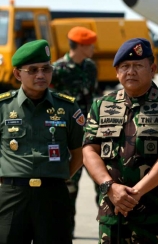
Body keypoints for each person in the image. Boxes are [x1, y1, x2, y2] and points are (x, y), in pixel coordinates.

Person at [82, 38, 158, 243]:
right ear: (117, 72)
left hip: (155, 212)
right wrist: (110, 188)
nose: (130, 71)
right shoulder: (102, 105)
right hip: (113, 211)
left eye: (138, 65)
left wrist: (136, 193)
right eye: (125, 66)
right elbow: (89, 151)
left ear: (152, 68)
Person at [0, 39, 85, 244]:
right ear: (18, 74)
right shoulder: (3, 107)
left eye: (46, 69)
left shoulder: (67, 107)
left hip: (53, 195)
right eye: (33, 70)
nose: (41, 75)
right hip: (12, 196)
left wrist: (59, 175)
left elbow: (80, 152)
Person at [50, 26, 99, 236]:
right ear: (80, 45)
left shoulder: (90, 67)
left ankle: (111, 230)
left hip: (90, 136)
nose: (94, 48)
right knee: (68, 190)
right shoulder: (57, 69)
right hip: (68, 139)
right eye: (90, 45)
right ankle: (64, 234)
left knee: (103, 183)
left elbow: (91, 98)